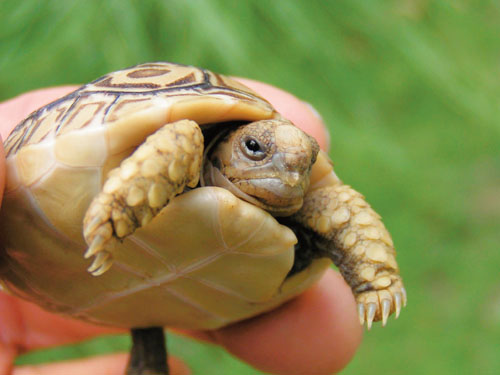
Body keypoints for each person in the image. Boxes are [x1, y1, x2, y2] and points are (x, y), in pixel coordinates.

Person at [0, 79, 362, 375]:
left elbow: (339, 207)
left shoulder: (306, 198)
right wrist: (125, 202)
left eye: (302, 165)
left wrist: (372, 273)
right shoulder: (182, 141)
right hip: (28, 247)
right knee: (179, 141)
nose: (287, 173)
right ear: (221, 147)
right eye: (254, 150)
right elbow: (176, 141)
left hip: (156, 298)